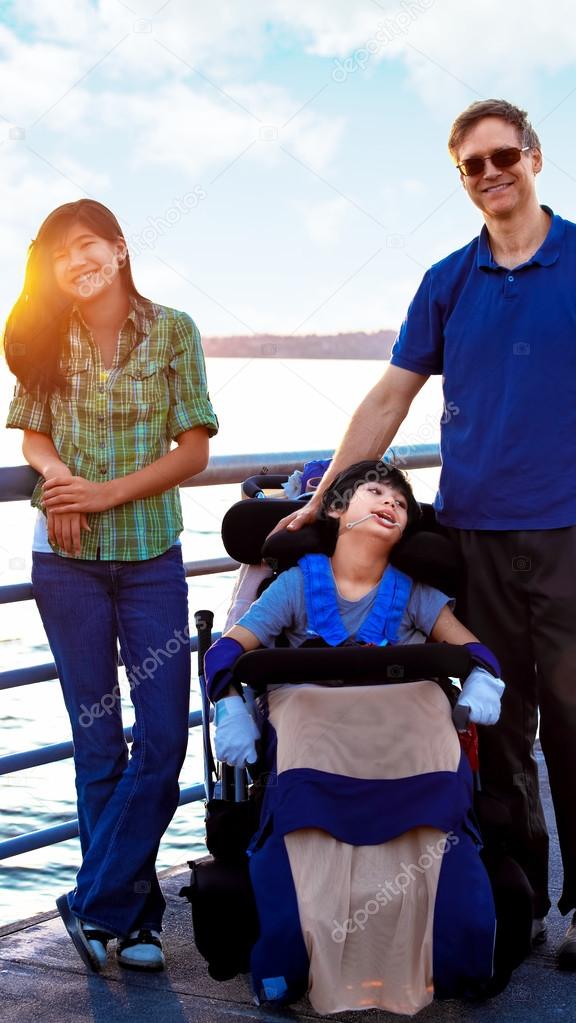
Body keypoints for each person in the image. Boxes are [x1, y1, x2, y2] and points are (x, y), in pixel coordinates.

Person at [281, 100, 576, 969]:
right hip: (475, 540)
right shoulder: (447, 280)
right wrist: (328, 498)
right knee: (493, 725)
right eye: (471, 166)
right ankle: (517, 892)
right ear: (462, 179)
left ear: (533, 155)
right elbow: (389, 396)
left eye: (502, 157)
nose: (490, 174)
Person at [204, 461, 519, 1014]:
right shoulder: (297, 584)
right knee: (299, 715)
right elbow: (229, 649)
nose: (390, 503)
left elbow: (477, 652)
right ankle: (295, 947)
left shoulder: (416, 594)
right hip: (313, 721)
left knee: (428, 707)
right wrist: (229, 702)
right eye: (375, 492)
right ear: (334, 509)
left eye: (400, 502)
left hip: (404, 729)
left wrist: (483, 680)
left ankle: (452, 945)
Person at [3, 199, 218, 973]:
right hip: (66, 565)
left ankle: (90, 900)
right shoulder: (44, 336)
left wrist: (104, 493)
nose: (77, 263)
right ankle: (128, 923)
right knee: (97, 743)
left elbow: (193, 450)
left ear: (120, 248)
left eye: (88, 246)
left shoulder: (173, 331)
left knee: (162, 738)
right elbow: (31, 431)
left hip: (150, 554)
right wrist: (60, 477)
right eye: (61, 254)